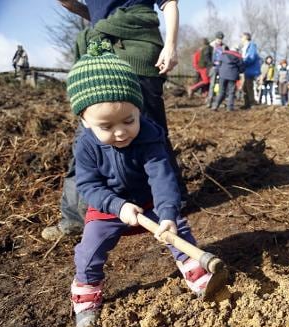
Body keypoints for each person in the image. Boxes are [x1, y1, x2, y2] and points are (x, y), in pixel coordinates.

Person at [66, 43, 227, 327]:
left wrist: (166, 213)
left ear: (139, 110)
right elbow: (88, 185)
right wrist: (117, 206)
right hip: (108, 205)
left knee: (178, 229)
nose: (119, 131)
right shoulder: (86, 147)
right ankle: (86, 295)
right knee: (89, 250)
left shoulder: (150, 136)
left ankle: (196, 272)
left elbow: (162, 176)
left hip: (149, 202)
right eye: (106, 126)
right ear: (85, 121)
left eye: (129, 120)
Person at [43, 0, 187, 241]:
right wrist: (74, 7)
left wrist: (171, 44)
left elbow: (168, 2)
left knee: (150, 134)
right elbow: (98, 12)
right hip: (100, 48)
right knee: (88, 139)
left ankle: (170, 206)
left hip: (137, 48)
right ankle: (76, 218)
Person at [212, 46, 245, 111]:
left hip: (222, 75)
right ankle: (229, 108)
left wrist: (218, 72)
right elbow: (242, 68)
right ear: (237, 50)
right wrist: (240, 71)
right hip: (232, 76)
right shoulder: (239, 57)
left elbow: (218, 64)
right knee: (231, 92)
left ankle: (215, 106)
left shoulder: (223, 55)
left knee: (221, 91)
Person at [240, 32, 260, 109]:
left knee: (249, 85)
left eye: (242, 37)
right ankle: (247, 103)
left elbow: (251, 57)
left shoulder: (251, 46)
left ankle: (252, 102)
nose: (241, 39)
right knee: (245, 86)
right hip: (247, 69)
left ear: (246, 38)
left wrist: (243, 62)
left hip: (250, 69)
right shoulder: (245, 47)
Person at [206, 31, 226, 107]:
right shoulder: (211, 46)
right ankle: (209, 101)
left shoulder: (224, 47)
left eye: (221, 39)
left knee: (221, 85)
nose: (220, 40)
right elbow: (207, 57)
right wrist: (211, 64)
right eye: (218, 38)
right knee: (212, 85)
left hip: (221, 68)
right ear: (216, 38)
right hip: (213, 67)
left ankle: (218, 102)